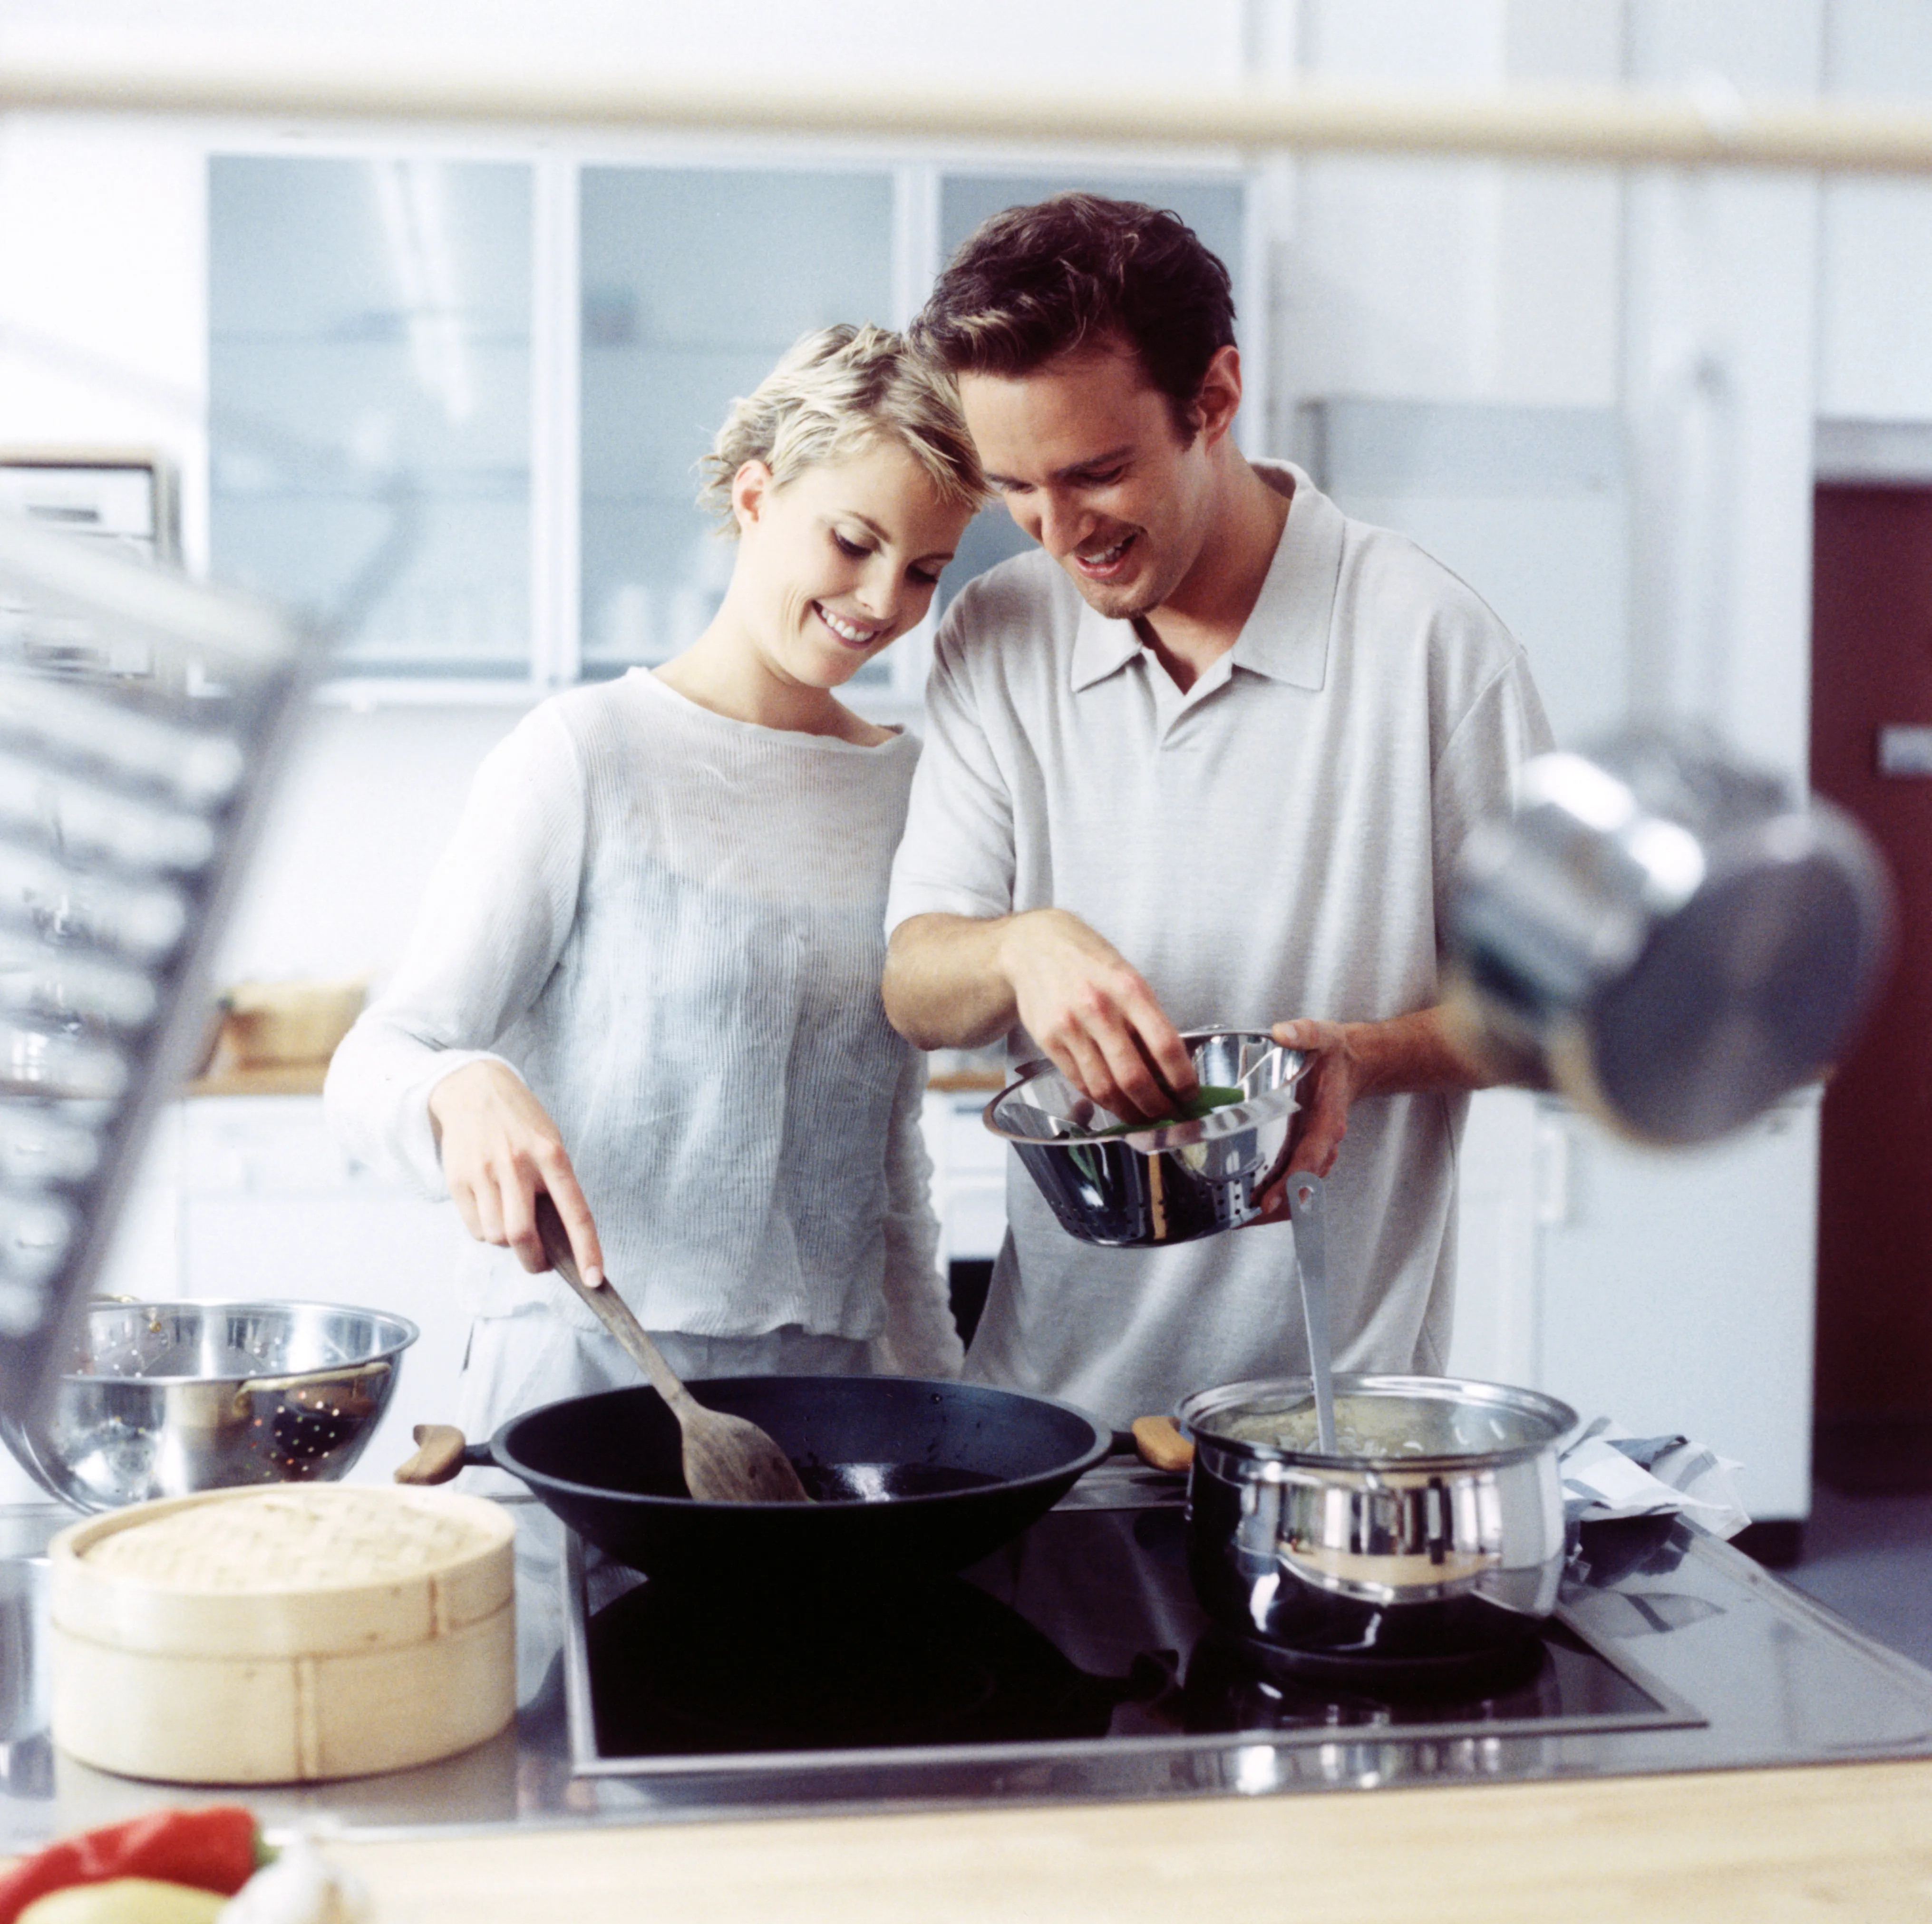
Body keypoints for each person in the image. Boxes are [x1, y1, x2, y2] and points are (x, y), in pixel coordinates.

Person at [881, 194, 1553, 1428]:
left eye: (1095, 472)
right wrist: (1016, 944)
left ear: (1213, 397)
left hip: (1325, 1428)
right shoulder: (996, 634)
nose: (1058, 530)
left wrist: (1360, 1054)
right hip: (1047, 1429)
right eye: (1014, 487)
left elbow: (1547, 1016)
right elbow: (916, 987)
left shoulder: (1429, 646)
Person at [326, 323, 981, 1435]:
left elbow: (893, 1172)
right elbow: (376, 1060)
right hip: (581, 1376)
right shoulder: (585, 753)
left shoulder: (909, 793)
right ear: (757, 494)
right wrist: (454, 1086)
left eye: (924, 569)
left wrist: (946, 1410)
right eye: (854, 541)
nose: (883, 602)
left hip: (833, 1395)